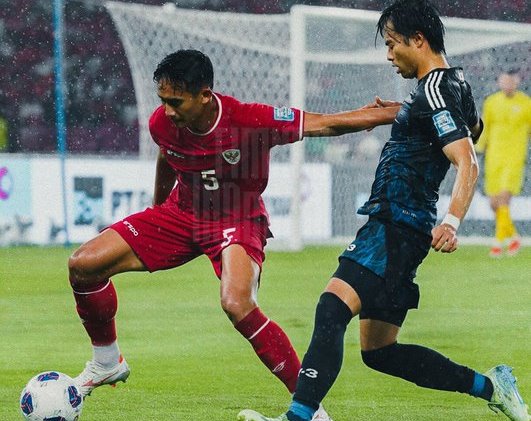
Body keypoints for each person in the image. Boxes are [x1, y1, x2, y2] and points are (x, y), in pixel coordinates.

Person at [237, 1, 529, 421]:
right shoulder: (455, 84)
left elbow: (467, 159)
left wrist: (452, 221)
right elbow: (468, 126)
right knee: (379, 351)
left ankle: (299, 416)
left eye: (393, 44)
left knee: (331, 307)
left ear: (418, 40)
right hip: (405, 227)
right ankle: (491, 385)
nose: (389, 54)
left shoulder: (434, 89)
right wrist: (405, 112)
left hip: (395, 223)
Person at [68, 49, 399, 419]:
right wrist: (158, 207)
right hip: (182, 212)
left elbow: (328, 124)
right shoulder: (163, 123)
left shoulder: (250, 120)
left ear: (204, 95)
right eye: (163, 100)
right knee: (83, 265)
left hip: (237, 217)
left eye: (175, 102)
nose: (167, 110)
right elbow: (167, 154)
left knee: (236, 303)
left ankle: (310, 408)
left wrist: (398, 112)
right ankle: (106, 362)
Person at [475, 69, 531, 258]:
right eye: (504, 81)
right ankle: (514, 236)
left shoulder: (526, 103)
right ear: (500, 82)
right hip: (494, 157)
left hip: (514, 157)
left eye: (510, 81)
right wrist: (478, 149)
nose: (507, 85)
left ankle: (498, 243)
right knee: (494, 203)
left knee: (505, 198)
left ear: (516, 82)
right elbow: (485, 127)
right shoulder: (491, 102)